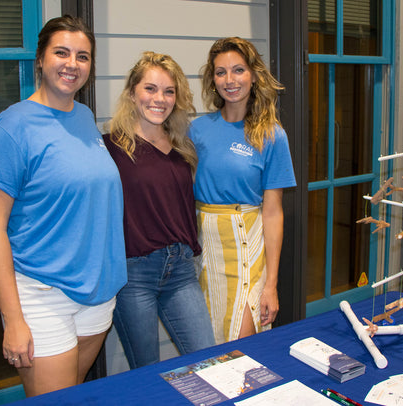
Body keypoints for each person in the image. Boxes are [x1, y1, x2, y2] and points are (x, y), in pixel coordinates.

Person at [0, 15, 127, 396]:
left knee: (71, 394)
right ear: (40, 60)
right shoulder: (11, 128)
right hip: (42, 297)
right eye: (61, 53)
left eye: (82, 56)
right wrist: (13, 319)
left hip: (96, 293)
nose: (72, 64)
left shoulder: (84, 116)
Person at [103, 51, 215, 369]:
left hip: (181, 268)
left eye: (168, 91)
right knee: (147, 371)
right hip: (134, 274)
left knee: (209, 359)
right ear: (131, 93)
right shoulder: (110, 148)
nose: (159, 99)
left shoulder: (183, 147)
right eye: (150, 89)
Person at [191, 37, 296, 344]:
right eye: (221, 72)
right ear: (213, 79)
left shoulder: (272, 135)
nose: (230, 80)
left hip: (247, 245)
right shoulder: (198, 130)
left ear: (253, 75)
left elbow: (273, 212)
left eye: (238, 70)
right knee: (207, 345)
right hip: (204, 249)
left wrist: (271, 285)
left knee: (239, 344)